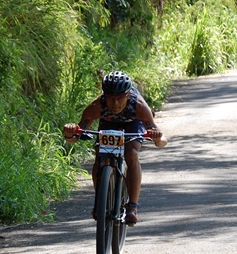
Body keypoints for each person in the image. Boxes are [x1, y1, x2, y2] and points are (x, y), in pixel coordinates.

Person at [63, 71, 167, 225]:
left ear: (128, 95)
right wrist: (70, 132)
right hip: (108, 123)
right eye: (111, 98)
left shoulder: (139, 106)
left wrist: (158, 137)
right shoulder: (97, 105)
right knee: (100, 154)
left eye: (120, 98)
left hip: (133, 123)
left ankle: (132, 207)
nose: (115, 104)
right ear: (104, 95)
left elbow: (162, 141)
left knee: (131, 153)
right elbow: (75, 138)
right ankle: (101, 201)